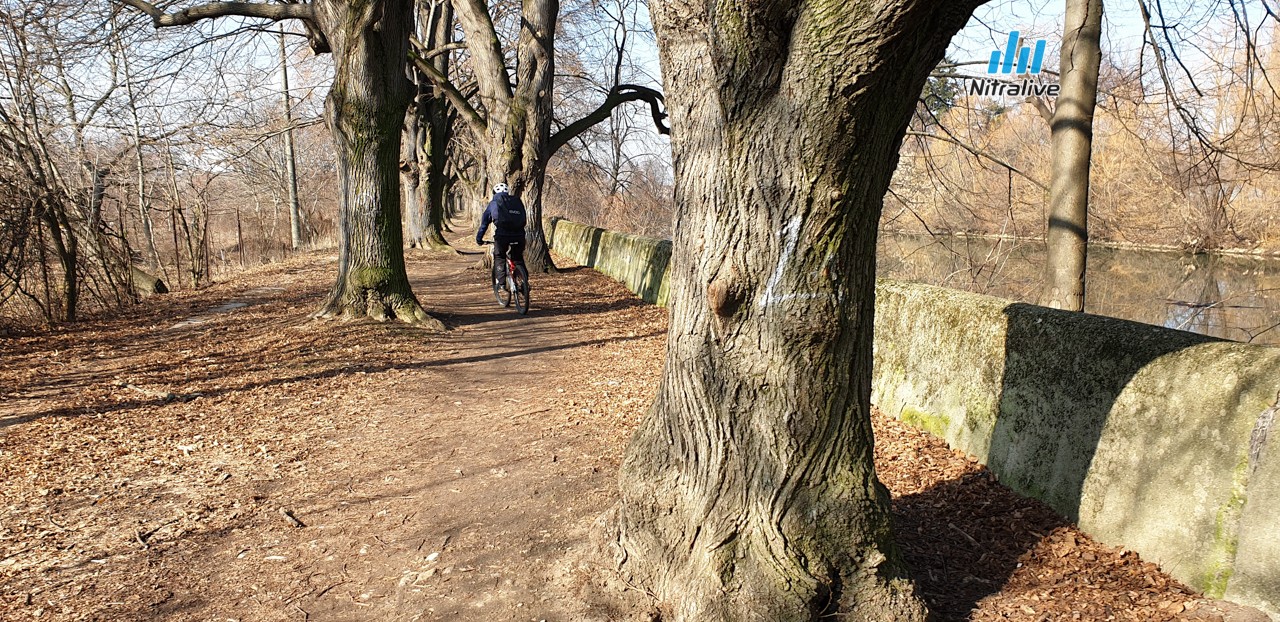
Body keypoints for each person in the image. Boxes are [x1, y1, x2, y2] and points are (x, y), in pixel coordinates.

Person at [475, 182, 528, 282]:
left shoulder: (493, 204)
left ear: (494, 193)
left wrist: (479, 239)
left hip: (502, 236)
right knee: (518, 258)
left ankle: (502, 282)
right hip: (519, 235)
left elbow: (484, 224)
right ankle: (524, 282)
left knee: (499, 256)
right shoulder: (517, 201)